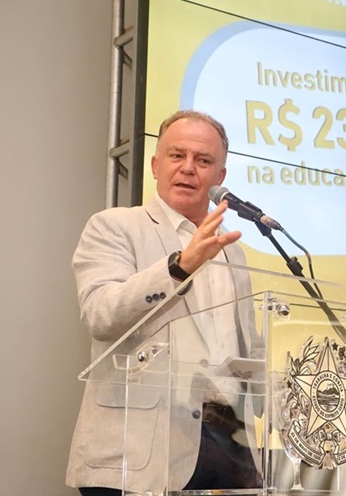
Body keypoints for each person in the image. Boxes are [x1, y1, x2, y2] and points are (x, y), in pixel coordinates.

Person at [66, 110, 263, 494]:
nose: (188, 168)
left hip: (230, 447)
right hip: (138, 453)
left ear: (220, 178)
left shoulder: (232, 251)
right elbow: (100, 314)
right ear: (156, 166)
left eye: (202, 160)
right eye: (177, 155)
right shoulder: (115, 226)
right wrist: (178, 267)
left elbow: (244, 345)